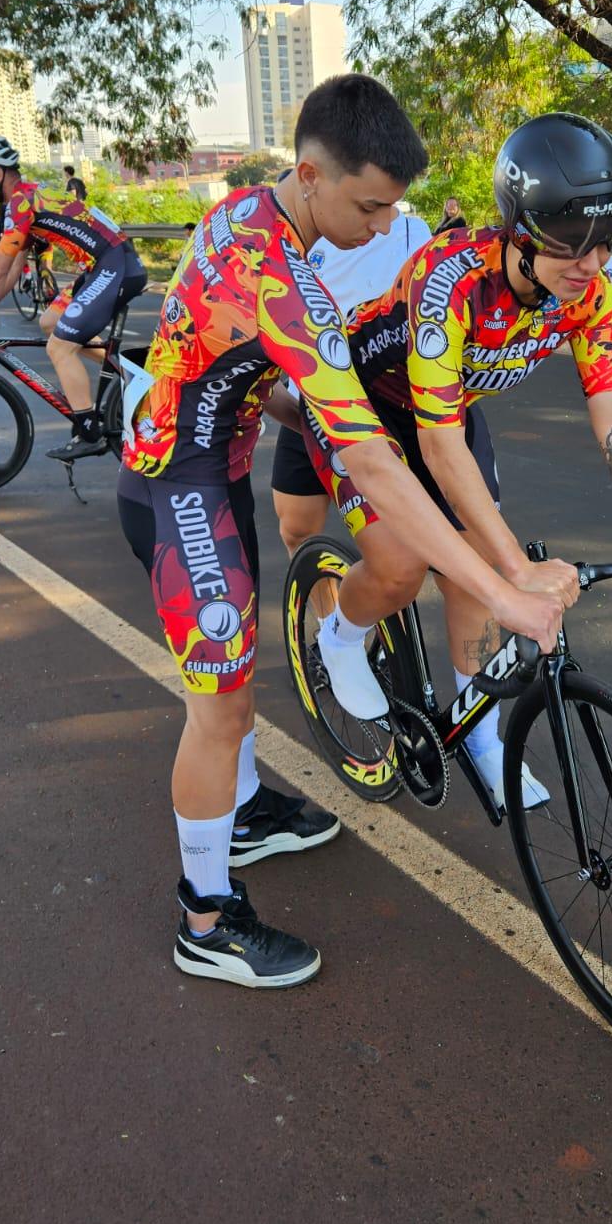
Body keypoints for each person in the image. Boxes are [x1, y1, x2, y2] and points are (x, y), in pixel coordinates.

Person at [117, 75, 565, 994]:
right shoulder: (281, 272)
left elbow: (221, 349)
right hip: (172, 481)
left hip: (213, 457)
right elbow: (375, 469)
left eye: (395, 208)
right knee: (224, 706)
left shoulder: (253, 215)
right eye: (369, 205)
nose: (382, 226)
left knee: (235, 683)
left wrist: (291, 409)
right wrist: (500, 589)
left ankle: (239, 812)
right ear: (310, 173)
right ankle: (205, 920)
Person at [304, 112, 612, 811]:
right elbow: (434, 447)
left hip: (447, 407)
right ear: (520, 232)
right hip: (362, 408)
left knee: (476, 568)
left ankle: (479, 735)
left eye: (606, 245)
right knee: (404, 569)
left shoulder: (588, 295)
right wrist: (519, 573)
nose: (591, 266)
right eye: (571, 248)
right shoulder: (450, 279)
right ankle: (340, 635)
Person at [0, 135, 148, 459]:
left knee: (59, 347)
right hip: (104, 264)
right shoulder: (23, 198)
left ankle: (89, 431)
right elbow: (13, 269)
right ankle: (127, 373)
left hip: (115, 265)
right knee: (50, 322)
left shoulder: (21, 201)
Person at [270, 198, 432, 566]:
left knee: (398, 557)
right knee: (296, 528)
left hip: (382, 409)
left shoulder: (412, 233)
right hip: (310, 400)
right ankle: (327, 622)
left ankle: (364, 617)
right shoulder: (293, 235)